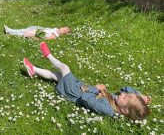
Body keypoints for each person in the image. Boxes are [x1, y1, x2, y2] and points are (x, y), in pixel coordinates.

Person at [23, 42, 151, 120]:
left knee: (64, 68)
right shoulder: (118, 102)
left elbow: (86, 99)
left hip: (75, 93)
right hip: (79, 87)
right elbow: (125, 89)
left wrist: (96, 87)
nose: (122, 94)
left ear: (125, 111)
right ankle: (33, 69)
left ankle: (48, 56)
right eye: (126, 95)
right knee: (56, 76)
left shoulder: (108, 110)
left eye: (125, 97)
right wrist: (139, 95)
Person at [4, 25, 71, 40]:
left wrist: (38, 38)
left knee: (24, 33)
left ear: (62, 32)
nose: (61, 28)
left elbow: (46, 38)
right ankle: (10, 30)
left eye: (63, 28)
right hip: (38, 29)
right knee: (24, 29)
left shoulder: (55, 35)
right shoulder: (55, 29)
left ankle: (10, 32)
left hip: (37, 33)